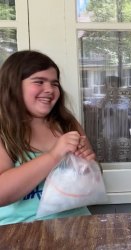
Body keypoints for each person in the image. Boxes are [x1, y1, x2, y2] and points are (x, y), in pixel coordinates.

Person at [0, 50, 96, 225]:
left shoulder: (65, 122)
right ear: (13, 85)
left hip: (78, 224)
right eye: (39, 82)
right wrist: (54, 155)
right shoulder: (3, 131)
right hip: (19, 231)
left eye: (55, 83)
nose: (49, 90)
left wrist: (87, 165)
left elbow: (95, 177)